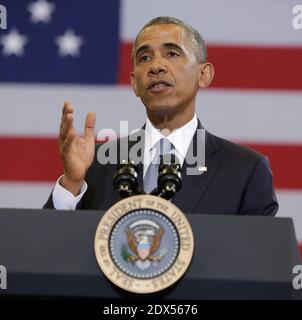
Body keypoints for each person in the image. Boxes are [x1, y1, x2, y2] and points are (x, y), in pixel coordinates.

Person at [44, 16, 278, 215]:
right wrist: (72, 183)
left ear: (203, 74)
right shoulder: (98, 164)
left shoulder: (246, 170)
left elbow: (260, 262)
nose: (156, 66)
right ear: (135, 83)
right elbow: (47, 251)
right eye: (145, 58)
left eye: (172, 54)